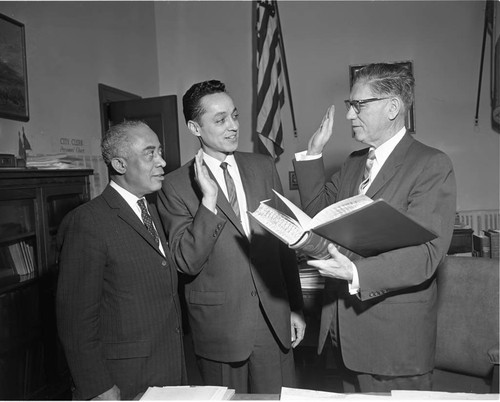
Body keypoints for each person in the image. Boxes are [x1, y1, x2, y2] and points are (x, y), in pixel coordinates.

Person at [293, 63, 456, 392]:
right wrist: (313, 154)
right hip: (344, 336)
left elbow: (426, 254)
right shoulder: (355, 163)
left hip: (394, 345)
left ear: (393, 107)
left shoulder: (431, 165)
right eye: (349, 105)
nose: (350, 115)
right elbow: (317, 217)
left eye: (359, 105)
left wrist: (355, 272)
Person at [157, 80, 305, 394]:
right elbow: (186, 261)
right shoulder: (175, 185)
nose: (233, 126)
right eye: (220, 120)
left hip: (272, 321)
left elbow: (283, 244)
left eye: (235, 116)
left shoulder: (263, 167)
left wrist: (295, 306)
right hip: (220, 329)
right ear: (194, 127)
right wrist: (208, 203)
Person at [56, 121, 186, 400]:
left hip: (167, 371)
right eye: (150, 153)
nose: (162, 161)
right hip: (123, 382)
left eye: (160, 151)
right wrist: (98, 387)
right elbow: (76, 322)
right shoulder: (87, 222)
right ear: (120, 164)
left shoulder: (150, 209)